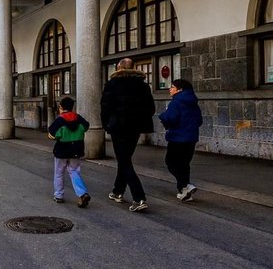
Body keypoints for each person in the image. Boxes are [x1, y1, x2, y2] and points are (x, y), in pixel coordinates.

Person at [100, 57, 155, 212]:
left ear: (119, 68)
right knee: (125, 159)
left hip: (118, 127)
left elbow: (105, 107)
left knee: (124, 161)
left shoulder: (112, 84)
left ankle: (139, 197)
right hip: (136, 128)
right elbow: (151, 108)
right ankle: (118, 191)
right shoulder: (143, 86)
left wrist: (106, 125)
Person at [159, 79, 203, 202]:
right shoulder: (193, 103)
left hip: (177, 138)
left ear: (180, 89)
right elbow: (199, 121)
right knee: (184, 164)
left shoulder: (175, 103)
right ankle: (185, 192)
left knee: (171, 162)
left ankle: (186, 185)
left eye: (172, 87)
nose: (170, 89)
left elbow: (170, 119)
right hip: (191, 138)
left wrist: (162, 116)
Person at [47, 96, 91, 208]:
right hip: (76, 149)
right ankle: (82, 193)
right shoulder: (78, 118)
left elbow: (52, 133)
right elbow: (86, 126)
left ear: (61, 107)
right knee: (75, 171)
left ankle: (59, 195)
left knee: (59, 172)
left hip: (62, 149)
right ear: (72, 106)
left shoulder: (60, 120)